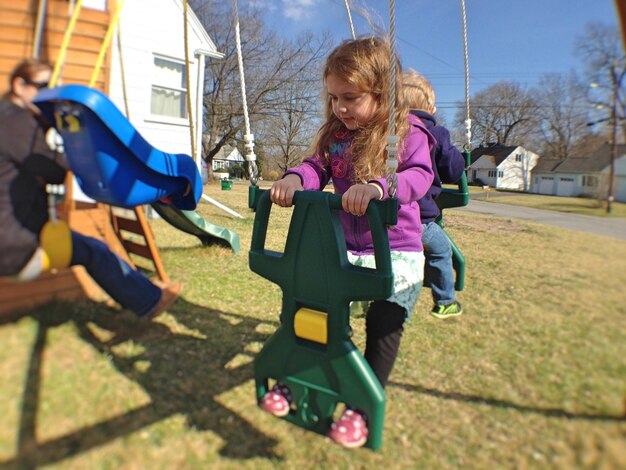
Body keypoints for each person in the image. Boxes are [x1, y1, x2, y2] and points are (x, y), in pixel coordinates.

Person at [260, 37, 435, 449]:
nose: (340, 107)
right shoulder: (335, 136)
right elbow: (313, 166)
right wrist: (293, 179)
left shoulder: (405, 132)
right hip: (345, 246)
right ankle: (295, 383)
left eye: (350, 97)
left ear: (381, 92)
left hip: (395, 249)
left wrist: (380, 186)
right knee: (312, 311)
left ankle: (359, 405)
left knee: (383, 322)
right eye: (334, 97)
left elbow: (419, 176)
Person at [0, 58, 182, 319]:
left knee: (88, 248)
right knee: (94, 251)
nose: (47, 93)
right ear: (19, 85)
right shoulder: (16, 123)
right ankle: (150, 301)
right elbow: (53, 170)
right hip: (14, 247)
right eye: (42, 86)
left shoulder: (7, 117)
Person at [401, 69, 465, 319]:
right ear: (431, 108)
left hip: (385, 215)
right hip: (421, 219)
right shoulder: (435, 134)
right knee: (441, 251)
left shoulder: (383, 131)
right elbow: (452, 171)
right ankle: (445, 301)